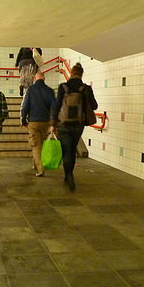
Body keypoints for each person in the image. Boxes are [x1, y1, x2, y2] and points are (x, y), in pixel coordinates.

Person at [49, 62, 98, 191]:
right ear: (81, 74)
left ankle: (68, 174)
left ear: (71, 73)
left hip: (63, 124)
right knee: (72, 148)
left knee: (66, 150)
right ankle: (69, 174)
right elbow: (94, 106)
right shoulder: (85, 88)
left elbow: (57, 105)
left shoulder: (63, 87)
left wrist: (53, 123)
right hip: (78, 124)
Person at [20, 71, 56, 177]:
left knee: (36, 145)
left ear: (35, 78)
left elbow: (25, 105)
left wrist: (23, 119)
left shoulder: (31, 90)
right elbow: (54, 107)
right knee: (42, 143)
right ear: (44, 79)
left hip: (33, 122)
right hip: (46, 122)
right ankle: (35, 164)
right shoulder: (49, 91)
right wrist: (53, 122)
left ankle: (41, 169)